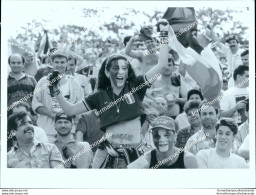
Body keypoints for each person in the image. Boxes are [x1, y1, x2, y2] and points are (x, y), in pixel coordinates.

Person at [50, 23, 171, 168]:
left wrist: (164, 34)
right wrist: (56, 91)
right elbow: (70, 110)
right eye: (115, 68)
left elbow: (162, 64)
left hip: (135, 154)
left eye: (124, 68)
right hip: (107, 153)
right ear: (107, 73)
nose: (120, 72)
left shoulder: (137, 86)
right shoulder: (99, 96)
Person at [32, 51, 84, 143]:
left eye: (62, 62)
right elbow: (36, 105)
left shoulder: (73, 82)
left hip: (67, 130)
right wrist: (52, 114)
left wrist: (69, 116)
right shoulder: (43, 82)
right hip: (47, 130)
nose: (59, 65)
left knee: (67, 155)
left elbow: (81, 105)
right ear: (52, 63)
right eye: (56, 62)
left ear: (67, 63)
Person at [128, 116, 198, 169]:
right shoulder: (146, 159)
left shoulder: (188, 159)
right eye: (156, 136)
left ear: (175, 136)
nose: (161, 140)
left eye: (166, 135)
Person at [151, 52, 187, 119]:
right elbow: (147, 99)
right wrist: (158, 100)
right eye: (164, 65)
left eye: (169, 65)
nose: (167, 68)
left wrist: (176, 100)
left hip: (175, 117)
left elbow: (187, 99)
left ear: (173, 68)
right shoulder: (154, 81)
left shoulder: (178, 80)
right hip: (158, 117)